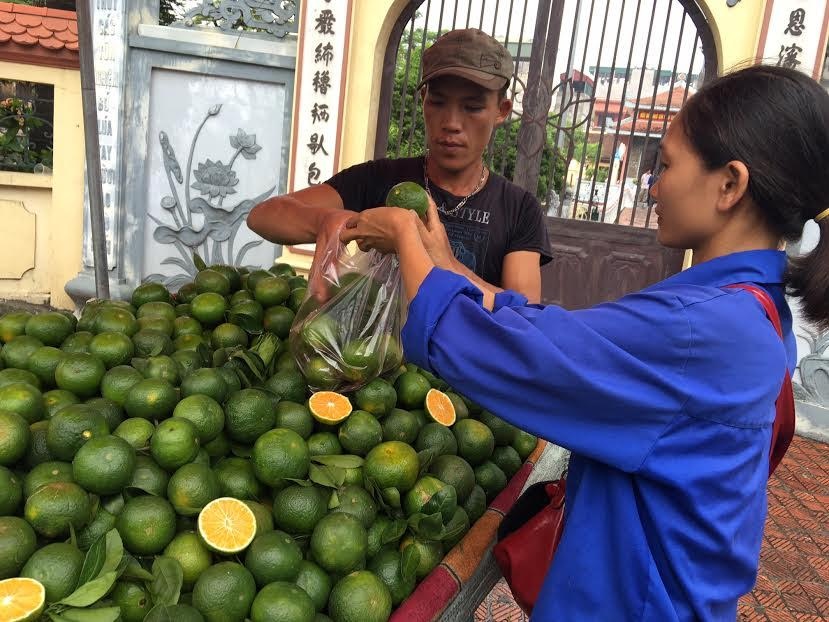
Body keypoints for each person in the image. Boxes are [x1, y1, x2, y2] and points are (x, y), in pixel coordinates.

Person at [340, 64, 829, 620]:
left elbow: (497, 351)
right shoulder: (749, 308)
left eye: (667, 165)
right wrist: (443, 262)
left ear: (730, 185)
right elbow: (555, 334)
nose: (653, 185)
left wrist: (405, 237)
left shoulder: (704, 329)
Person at [246, 28, 551, 302]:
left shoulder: (518, 209)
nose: (452, 123)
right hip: (374, 349)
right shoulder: (380, 180)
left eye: (472, 107)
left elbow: (525, 314)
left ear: (501, 110)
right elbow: (263, 216)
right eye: (438, 102)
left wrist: (442, 260)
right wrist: (329, 220)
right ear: (423, 100)